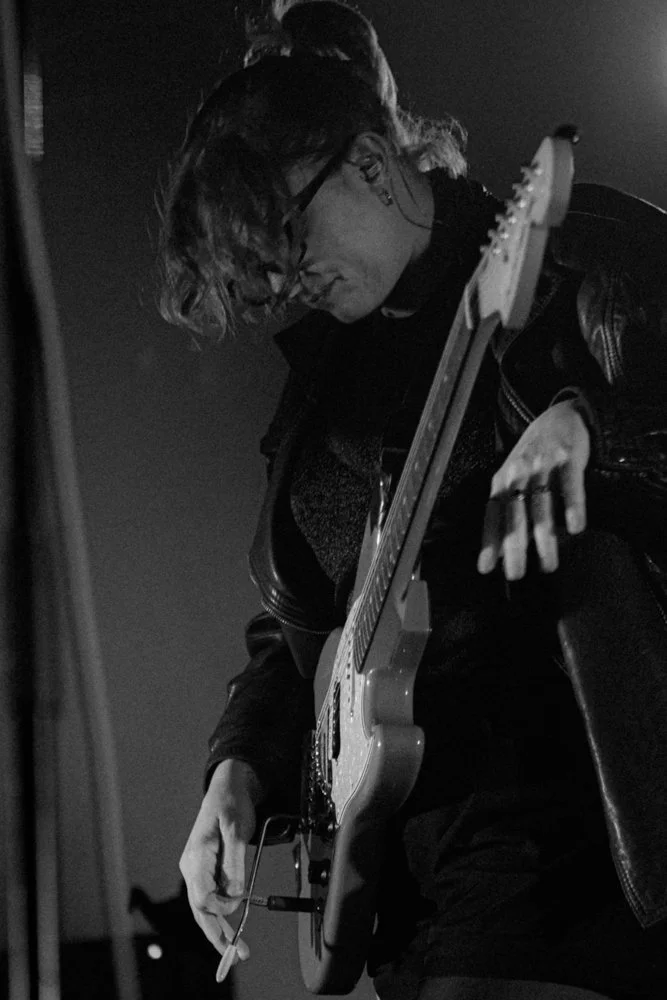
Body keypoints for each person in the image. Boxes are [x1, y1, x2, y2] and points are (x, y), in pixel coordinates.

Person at [158, 2, 667, 997]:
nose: (283, 277)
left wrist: (589, 427)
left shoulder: (568, 250)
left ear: (368, 163)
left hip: (565, 848)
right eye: (260, 265)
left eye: (287, 235)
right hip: (404, 897)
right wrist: (238, 767)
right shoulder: (323, 385)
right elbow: (308, 630)